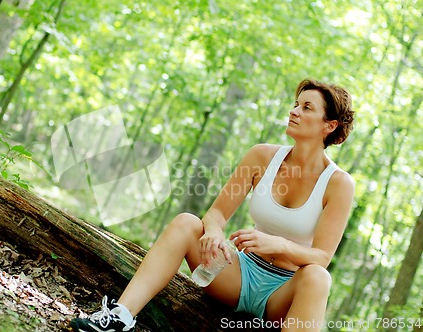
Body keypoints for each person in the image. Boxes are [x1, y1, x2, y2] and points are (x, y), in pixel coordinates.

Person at [70, 79, 355, 332]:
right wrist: (214, 232)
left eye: (306, 107)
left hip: (284, 294)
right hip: (239, 275)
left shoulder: (339, 184)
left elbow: (322, 256)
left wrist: (278, 245)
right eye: (296, 104)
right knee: (186, 223)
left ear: (329, 126)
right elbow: (217, 213)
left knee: (318, 277)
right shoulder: (261, 157)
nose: (294, 111)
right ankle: (121, 317)